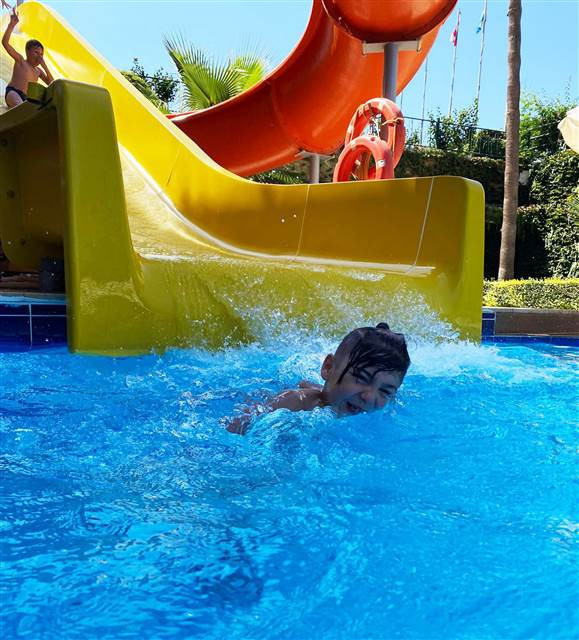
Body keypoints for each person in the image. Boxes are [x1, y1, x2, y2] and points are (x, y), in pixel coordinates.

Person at [227, 322, 411, 434]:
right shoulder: (295, 403)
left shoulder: (378, 415)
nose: (369, 397)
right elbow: (235, 427)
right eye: (362, 378)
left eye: (385, 391)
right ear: (328, 368)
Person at [2, 8, 53, 108]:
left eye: (41, 54)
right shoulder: (20, 61)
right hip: (13, 92)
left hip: (26, 99)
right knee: (19, 105)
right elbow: (5, 43)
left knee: (28, 108)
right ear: (27, 51)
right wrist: (11, 25)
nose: (39, 56)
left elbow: (52, 83)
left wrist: (45, 66)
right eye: (36, 52)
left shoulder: (38, 71)